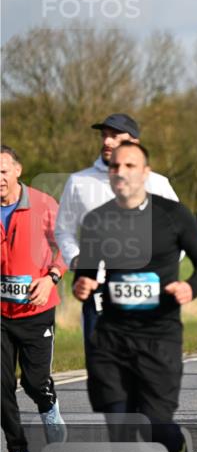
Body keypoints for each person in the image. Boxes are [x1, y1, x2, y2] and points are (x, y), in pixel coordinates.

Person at [72, 142, 197, 452]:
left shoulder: (172, 215)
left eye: (129, 165)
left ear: (145, 172)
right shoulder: (97, 220)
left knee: (154, 424)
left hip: (159, 336)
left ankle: (178, 448)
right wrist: (82, 284)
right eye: (115, 166)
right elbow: (86, 273)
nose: (120, 172)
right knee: (120, 424)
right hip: (112, 336)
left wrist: (190, 286)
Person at [56, 114, 178, 362]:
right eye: (104, 135)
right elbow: (63, 230)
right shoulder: (79, 182)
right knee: (102, 366)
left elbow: (179, 234)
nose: (107, 141)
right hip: (98, 289)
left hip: (145, 287)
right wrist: (76, 258)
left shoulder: (157, 184)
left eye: (115, 136)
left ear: (134, 142)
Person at [1, 146, 68, 452]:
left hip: (36, 310)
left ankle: (49, 405)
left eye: (3, 171)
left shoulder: (42, 204)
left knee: (33, 382)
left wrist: (51, 277)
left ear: (18, 170)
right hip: (1, 314)